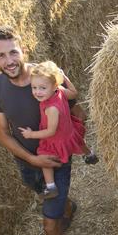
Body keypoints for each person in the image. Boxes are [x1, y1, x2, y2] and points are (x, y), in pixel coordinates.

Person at [0, 26, 75, 235]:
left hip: (56, 161)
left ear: (23, 49)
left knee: (50, 226)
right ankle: (68, 207)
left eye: (13, 52)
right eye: (1, 55)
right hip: (28, 164)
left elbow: (73, 101)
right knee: (45, 197)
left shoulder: (46, 74)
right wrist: (31, 160)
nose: (9, 60)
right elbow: (2, 132)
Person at [18, 60, 89, 199]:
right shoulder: (60, 91)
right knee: (78, 141)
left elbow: (50, 131)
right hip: (68, 130)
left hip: (56, 138)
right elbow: (74, 93)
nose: (37, 92)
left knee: (44, 156)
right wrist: (65, 78)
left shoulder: (51, 108)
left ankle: (51, 187)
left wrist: (31, 134)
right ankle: (90, 154)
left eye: (42, 88)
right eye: (34, 87)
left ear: (54, 85)